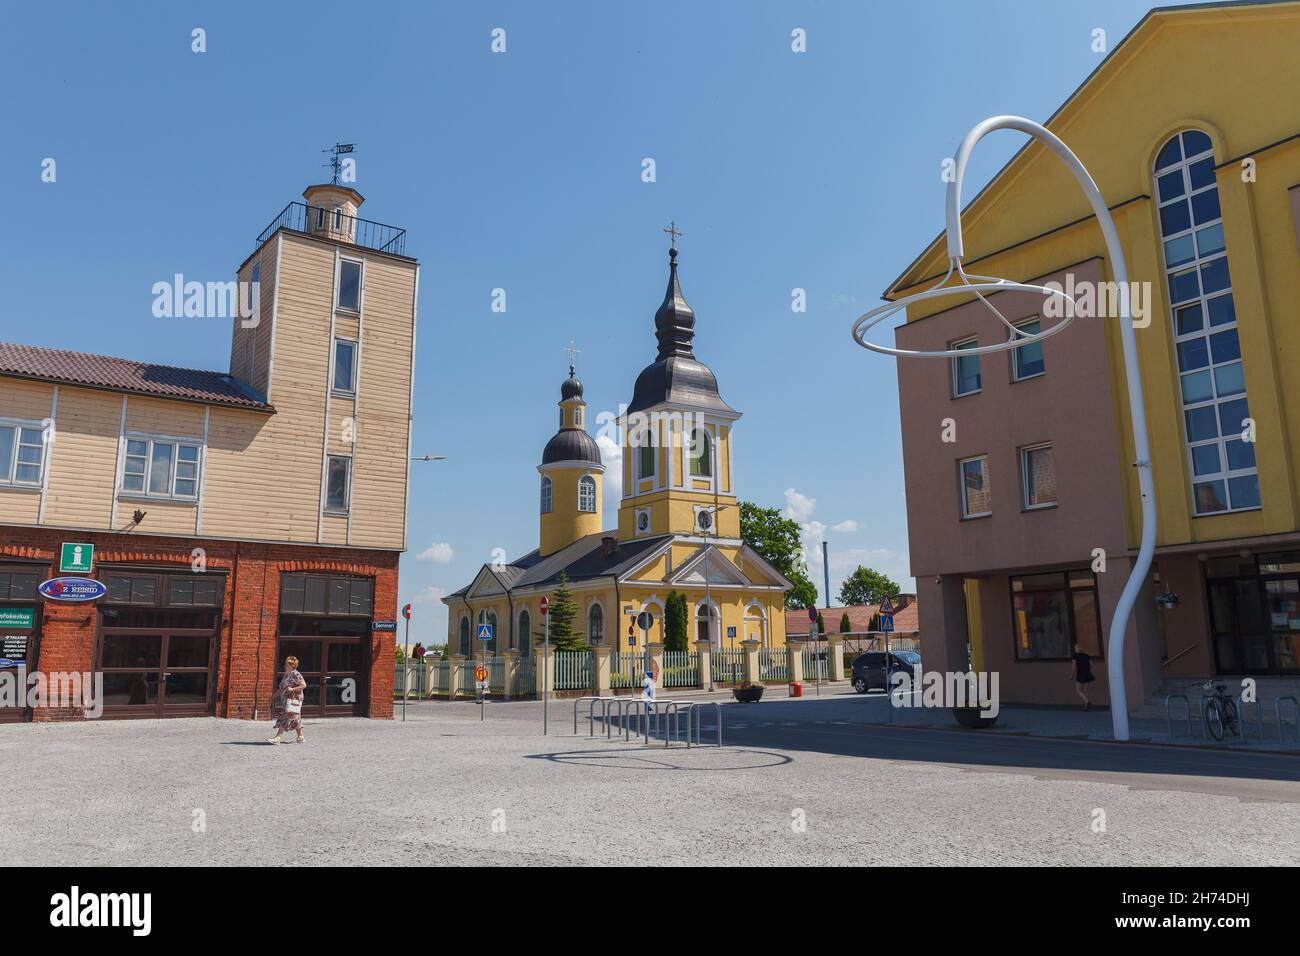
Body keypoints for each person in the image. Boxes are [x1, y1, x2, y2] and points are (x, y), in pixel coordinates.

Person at [269, 655, 307, 744]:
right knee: (295, 717)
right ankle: (300, 736)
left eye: (286, 664)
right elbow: (281, 688)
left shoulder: (296, 674)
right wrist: (272, 697)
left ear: (292, 666)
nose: (284, 666)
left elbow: (304, 685)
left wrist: (293, 689)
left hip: (293, 700)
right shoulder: (286, 674)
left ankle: (278, 737)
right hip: (287, 700)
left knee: (286, 716)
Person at [1070, 643, 1096, 710]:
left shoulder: (1075, 656)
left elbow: (1074, 667)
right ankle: (1086, 707)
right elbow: (1092, 665)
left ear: (1076, 649)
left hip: (1081, 674)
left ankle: (1087, 702)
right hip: (1088, 674)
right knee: (1085, 690)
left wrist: (1071, 675)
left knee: (1078, 690)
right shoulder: (1086, 655)